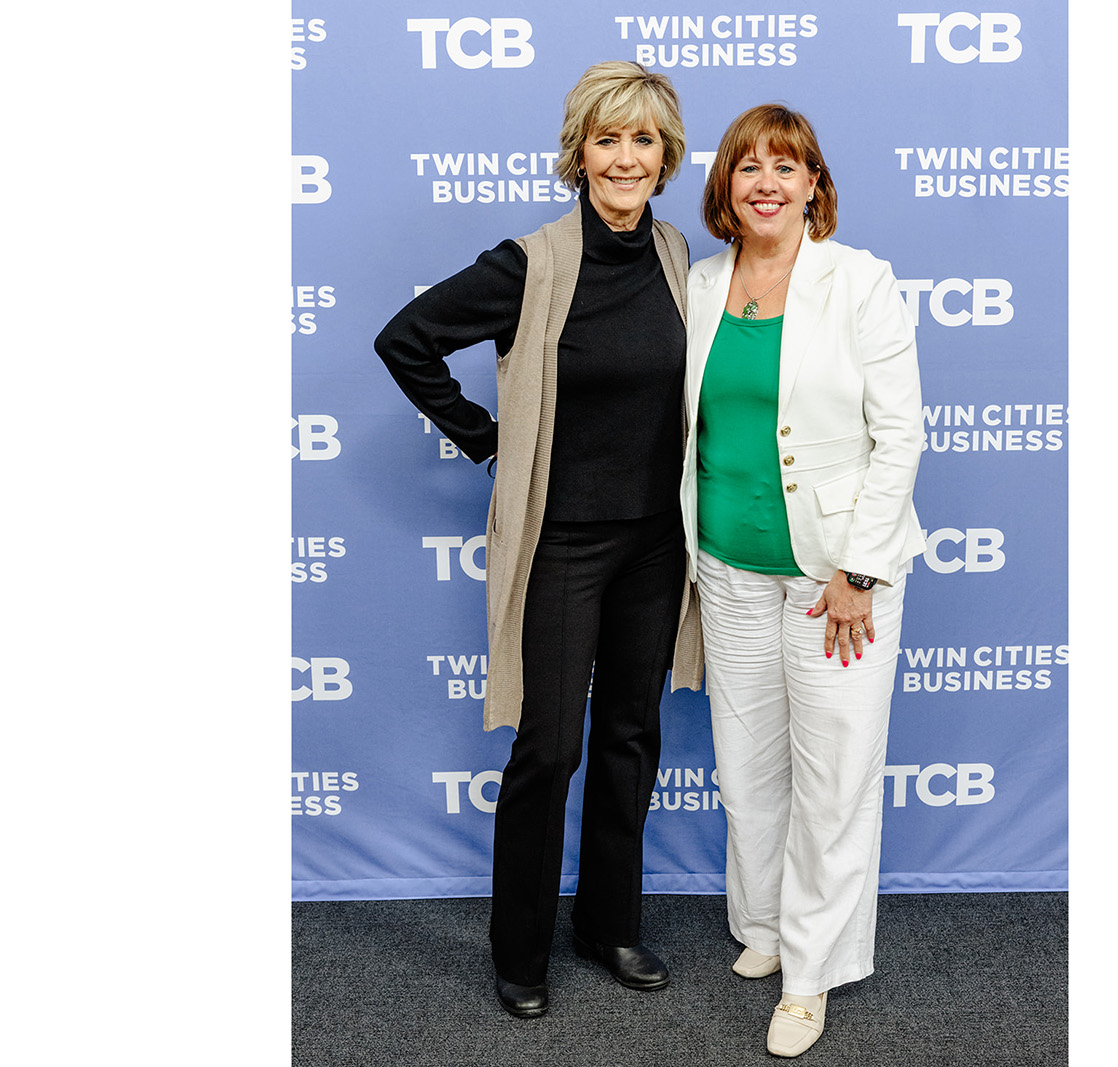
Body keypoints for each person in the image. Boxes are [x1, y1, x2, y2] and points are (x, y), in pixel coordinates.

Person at [373, 61, 701, 1021]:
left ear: (666, 156)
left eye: (643, 140)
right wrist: (487, 438)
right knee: (549, 747)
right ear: (579, 155)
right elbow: (406, 339)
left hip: (657, 544)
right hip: (563, 544)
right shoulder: (531, 263)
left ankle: (609, 923)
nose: (626, 158)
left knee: (632, 737)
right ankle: (519, 949)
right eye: (608, 139)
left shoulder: (677, 251)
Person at [680, 104, 926, 1058]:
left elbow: (899, 434)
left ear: (814, 184)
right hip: (727, 568)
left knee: (833, 778)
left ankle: (812, 973)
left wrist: (861, 568)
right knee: (747, 771)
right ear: (726, 188)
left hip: (837, 580)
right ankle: (768, 927)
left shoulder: (859, 281)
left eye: (787, 167)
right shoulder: (701, 283)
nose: (767, 183)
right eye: (749, 167)